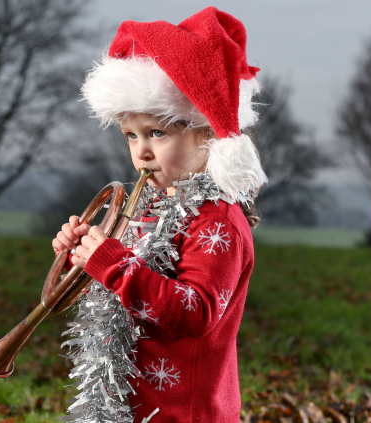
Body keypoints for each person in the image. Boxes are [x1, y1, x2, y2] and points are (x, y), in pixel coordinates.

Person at [51, 6, 267, 422]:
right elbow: (120, 287)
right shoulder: (151, 205)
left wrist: (110, 263)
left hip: (182, 411)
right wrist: (79, 256)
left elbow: (195, 311)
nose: (141, 151)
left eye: (157, 133)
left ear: (206, 134)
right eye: (131, 135)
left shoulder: (216, 220)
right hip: (130, 403)